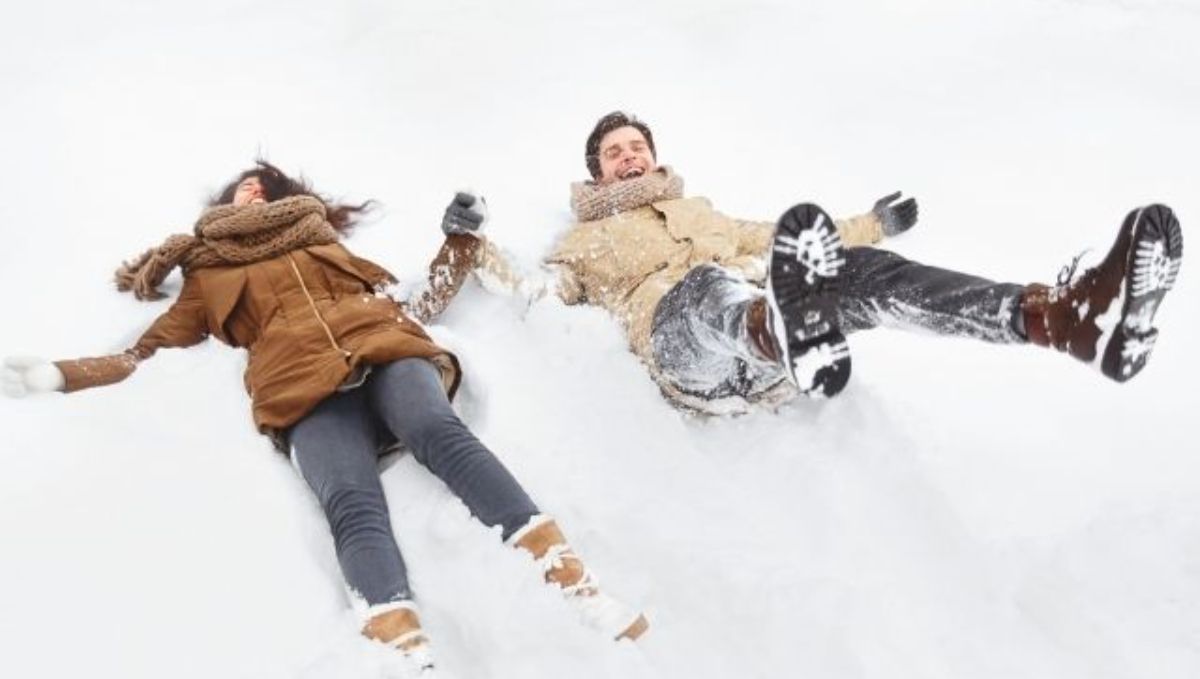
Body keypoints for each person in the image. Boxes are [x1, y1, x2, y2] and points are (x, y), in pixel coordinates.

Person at [1, 161, 648, 679]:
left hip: (385, 348)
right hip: (296, 385)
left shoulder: (325, 243)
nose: (251, 192)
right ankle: (409, 664)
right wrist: (61, 376)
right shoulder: (207, 275)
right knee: (350, 501)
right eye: (242, 187)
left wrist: (458, 240)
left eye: (263, 185)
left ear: (283, 194)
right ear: (224, 203)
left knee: (434, 429)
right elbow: (146, 355)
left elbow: (414, 302)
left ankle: (575, 583)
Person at [477, 111, 1183, 411]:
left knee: (859, 277)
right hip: (686, 354)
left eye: (637, 145)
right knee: (705, 290)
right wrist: (471, 245)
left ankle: (1057, 317)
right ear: (599, 176)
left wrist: (874, 225)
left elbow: (785, 234)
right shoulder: (582, 243)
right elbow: (539, 289)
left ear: (654, 157)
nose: (629, 154)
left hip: (769, 347)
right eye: (614, 152)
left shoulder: (705, 215)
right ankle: (778, 327)